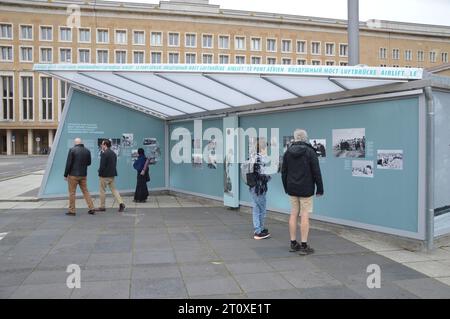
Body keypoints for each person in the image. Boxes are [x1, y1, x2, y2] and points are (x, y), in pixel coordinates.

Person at [282, 129, 324, 255]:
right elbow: (316, 171)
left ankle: (293, 243)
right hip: (306, 189)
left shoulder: (288, 152)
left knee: (293, 214)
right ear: (305, 138)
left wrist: (286, 187)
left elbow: (283, 172)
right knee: (305, 215)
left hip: (292, 188)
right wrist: (320, 188)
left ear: (295, 138)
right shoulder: (310, 152)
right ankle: (304, 245)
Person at [64, 138, 96, 216]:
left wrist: (65, 174)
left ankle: (72, 210)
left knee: (72, 193)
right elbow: (89, 163)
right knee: (85, 191)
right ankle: (92, 208)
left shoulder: (72, 150)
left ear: (75, 143)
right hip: (83, 175)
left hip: (73, 175)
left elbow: (68, 163)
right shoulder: (87, 151)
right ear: (81, 143)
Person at [250, 138, 272, 240]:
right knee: (262, 209)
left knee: (256, 208)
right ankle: (259, 232)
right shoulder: (260, 159)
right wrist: (269, 176)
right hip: (260, 188)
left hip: (253, 186)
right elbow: (262, 174)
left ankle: (259, 229)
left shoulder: (252, 156)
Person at [95, 139, 125, 212]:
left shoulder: (104, 154)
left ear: (105, 145)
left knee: (102, 190)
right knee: (114, 190)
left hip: (104, 175)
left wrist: (99, 172)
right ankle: (121, 203)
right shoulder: (113, 153)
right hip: (112, 175)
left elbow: (102, 166)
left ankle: (102, 206)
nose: (101, 145)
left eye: (102, 144)